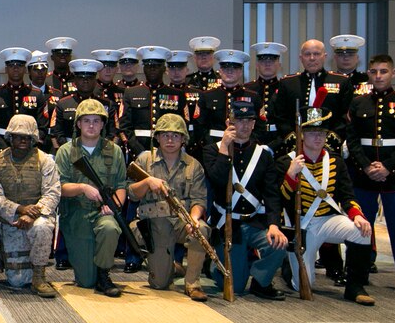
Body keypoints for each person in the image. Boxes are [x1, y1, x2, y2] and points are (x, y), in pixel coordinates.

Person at [279, 103, 375, 306]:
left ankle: (355, 286)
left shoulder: (336, 161)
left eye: (322, 132)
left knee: (362, 231)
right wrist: (290, 174)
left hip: (328, 219)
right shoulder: (285, 162)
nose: (318, 137)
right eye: (312, 132)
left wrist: (356, 214)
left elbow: (347, 195)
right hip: (302, 224)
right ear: (302, 134)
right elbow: (280, 199)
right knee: (302, 284)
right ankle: (289, 267)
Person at [346, 54, 395, 295]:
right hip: (363, 175)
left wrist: (388, 167)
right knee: (359, 229)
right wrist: (367, 166)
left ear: (393, 74)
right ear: (368, 73)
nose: (378, 76)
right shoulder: (358, 103)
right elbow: (353, 140)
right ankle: (358, 276)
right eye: (374, 71)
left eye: (383, 71)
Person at [202, 100, 288, 300]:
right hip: (227, 223)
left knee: (279, 244)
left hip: (254, 221)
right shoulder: (212, 150)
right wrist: (225, 147)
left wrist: (274, 225)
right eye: (240, 121)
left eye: (249, 120)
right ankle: (214, 262)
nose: (245, 126)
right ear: (229, 122)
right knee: (237, 287)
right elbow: (218, 180)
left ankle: (261, 282)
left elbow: (272, 194)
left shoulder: (263, 155)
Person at [127, 113, 210, 300]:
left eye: (175, 135)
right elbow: (131, 193)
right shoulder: (145, 161)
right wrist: (147, 181)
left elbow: (199, 200)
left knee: (201, 230)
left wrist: (194, 218)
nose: (170, 140)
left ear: (183, 139)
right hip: (155, 224)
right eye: (165, 135)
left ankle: (193, 284)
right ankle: (171, 266)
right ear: (157, 137)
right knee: (160, 284)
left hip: (182, 222)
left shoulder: (193, 165)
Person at [54, 99, 126, 297]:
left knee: (110, 228)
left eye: (96, 121)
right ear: (78, 124)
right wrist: (82, 187)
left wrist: (114, 207)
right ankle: (93, 272)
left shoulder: (114, 151)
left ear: (103, 124)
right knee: (86, 282)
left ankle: (104, 275)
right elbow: (59, 187)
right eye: (86, 121)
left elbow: (121, 186)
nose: (92, 125)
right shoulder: (66, 152)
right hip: (76, 215)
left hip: (103, 212)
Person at [0, 114, 61, 297]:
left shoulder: (45, 161)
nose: (23, 140)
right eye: (18, 136)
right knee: (17, 281)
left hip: (38, 217)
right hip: (11, 219)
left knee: (43, 227)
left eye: (27, 137)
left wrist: (32, 214)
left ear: (33, 139)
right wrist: (20, 210)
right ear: (10, 137)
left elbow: (52, 193)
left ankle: (39, 277)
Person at [0, 47, 47, 155]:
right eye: (11, 65)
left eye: (20, 65)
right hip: (0, 147)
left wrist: (31, 147)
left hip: (29, 148)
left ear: (25, 69)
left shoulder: (37, 94)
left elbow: (42, 127)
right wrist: (2, 149)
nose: (15, 69)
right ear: (6, 69)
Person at [193, 49, 262, 154]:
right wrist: (209, 146)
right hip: (214, 148)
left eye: (234, 68)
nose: (229, 71)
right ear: (220, 71)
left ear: (240, 72)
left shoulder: (253, 97)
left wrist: (249, 145)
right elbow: (199, 126)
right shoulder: (207, 96)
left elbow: (259, 127)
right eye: (225, 68)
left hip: (245, 149)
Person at [245, 41, 287, 149]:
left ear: (279, 64)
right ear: (257, 65)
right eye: (263, 60)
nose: (267, 63)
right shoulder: (246, 89)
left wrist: (276, 144)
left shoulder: (286, 88)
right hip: (250, 141)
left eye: (272, 60)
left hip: (279, 142)